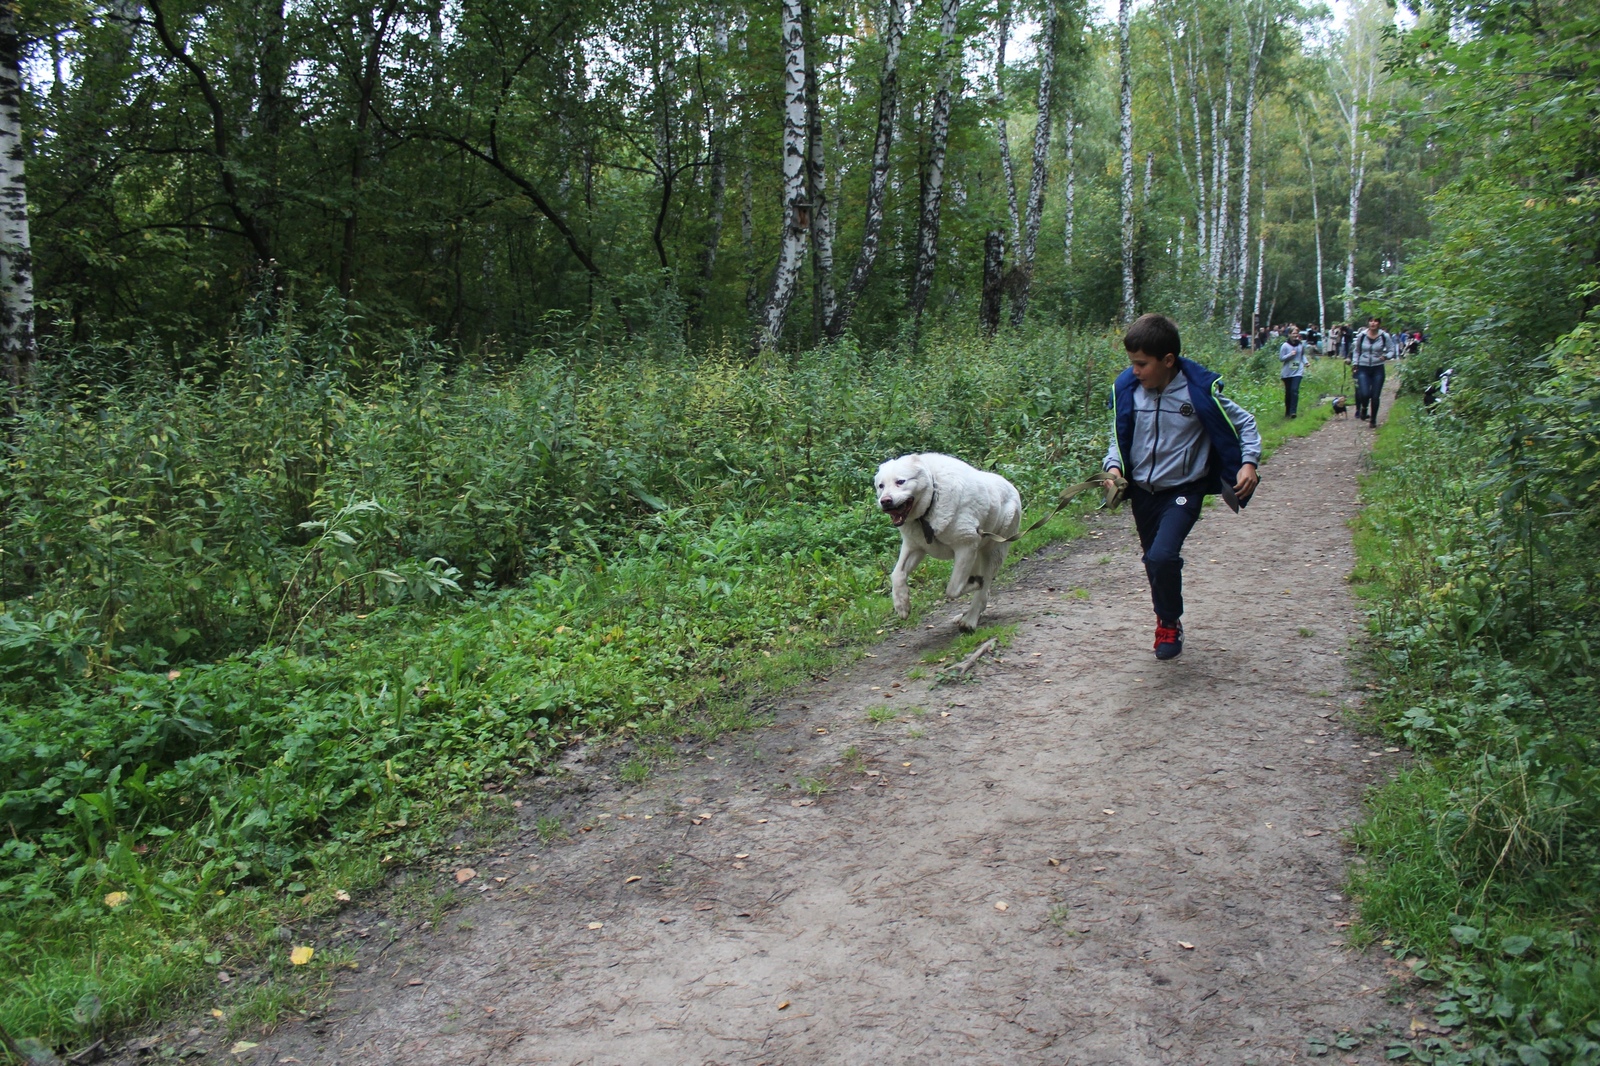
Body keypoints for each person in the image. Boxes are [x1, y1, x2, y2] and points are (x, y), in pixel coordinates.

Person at [1103, 313, 1262, 661]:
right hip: (1143, 493)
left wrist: (1248, 462)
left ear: (1168, 360)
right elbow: (1118, 436)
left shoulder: (1199, 392)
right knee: (1153, 561)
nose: (1134, 371)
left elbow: (1246, 423)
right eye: (1131, 363)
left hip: (1183, 490)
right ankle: (1166, 615)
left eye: (1142, 364)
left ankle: (1169, 623)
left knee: (1162, 555)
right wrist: (1113, 466)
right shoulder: (1130, 391)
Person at [1348, 315, 1395, 426]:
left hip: (1377, 368)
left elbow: (1391, 350)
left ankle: (1373, 419)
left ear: (1379, 323)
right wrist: (1355, 363)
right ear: (1368, 323)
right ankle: (1364, 408)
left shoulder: (1384, 336)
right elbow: (1357, 351)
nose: (1373, 323)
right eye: (1371, 321)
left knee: (1375, 396)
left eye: (1375, 321)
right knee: (1364, 393)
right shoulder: (1362, 336)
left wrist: (1386, 356)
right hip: (1363, 368)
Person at [1278, 325, 1308, 418]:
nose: (1296, 335)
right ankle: (1287, 411)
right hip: (1287, 373)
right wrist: (1290, 355)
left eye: (1297, 333)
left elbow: (1302, 355)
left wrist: (1306, 362)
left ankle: (1293, 412)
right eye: (1294, 333)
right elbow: (1281, 359)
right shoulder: (1285, 346)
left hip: (1298, 371)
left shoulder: (1300, 344)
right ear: (1289, 334)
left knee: (1294, 390)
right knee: (1289, 392)